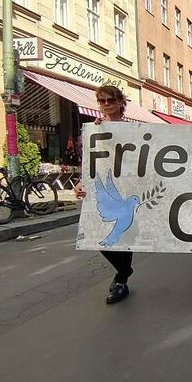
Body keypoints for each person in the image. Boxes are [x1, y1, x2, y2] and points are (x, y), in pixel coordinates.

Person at [74, 85, 134, 305]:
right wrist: (81, 182)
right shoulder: (93, 130)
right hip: (102, 187)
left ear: (120, 103)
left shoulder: (133, 130)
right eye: (102, 101)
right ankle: (125, 271)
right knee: (99, 238)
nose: (106, 105)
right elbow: (90, 161)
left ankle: (121, 281)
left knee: (123, 237)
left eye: (111, 100)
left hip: (127, 188)